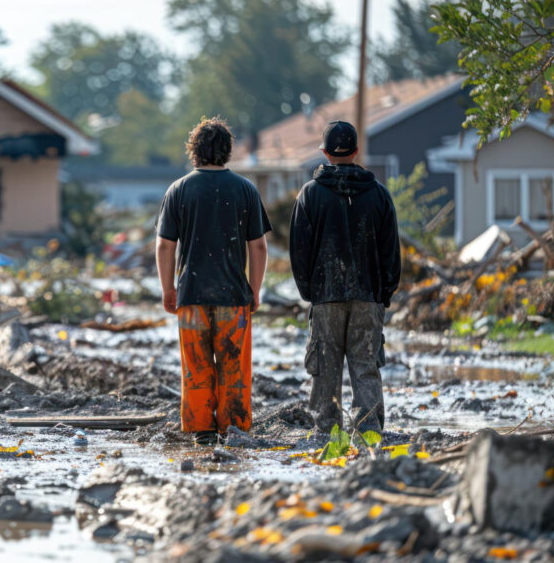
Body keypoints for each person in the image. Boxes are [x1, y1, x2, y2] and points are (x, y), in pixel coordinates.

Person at [156, 116, 271, 446]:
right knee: (234, 368)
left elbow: (165, 245)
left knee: (197, 367)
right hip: (234, 295)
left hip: (191, 295)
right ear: (228, 150)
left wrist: (167, 288)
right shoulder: (245, 190)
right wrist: (255, 288)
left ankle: (201, 430)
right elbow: (259, 245)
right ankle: (233, 429)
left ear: (194, 151)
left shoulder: (179, 189)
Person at [289, 120, 401, 435]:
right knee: (366, 369)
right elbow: (391, 251)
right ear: (356, 151)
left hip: (325, 297)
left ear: (324, 152)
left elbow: (299, 251)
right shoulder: (379, 194)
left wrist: (309, 291)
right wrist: (385, 294)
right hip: (369, 297)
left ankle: (326, 435)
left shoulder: (309, 195)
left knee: (325, 372)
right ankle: (368, 436)